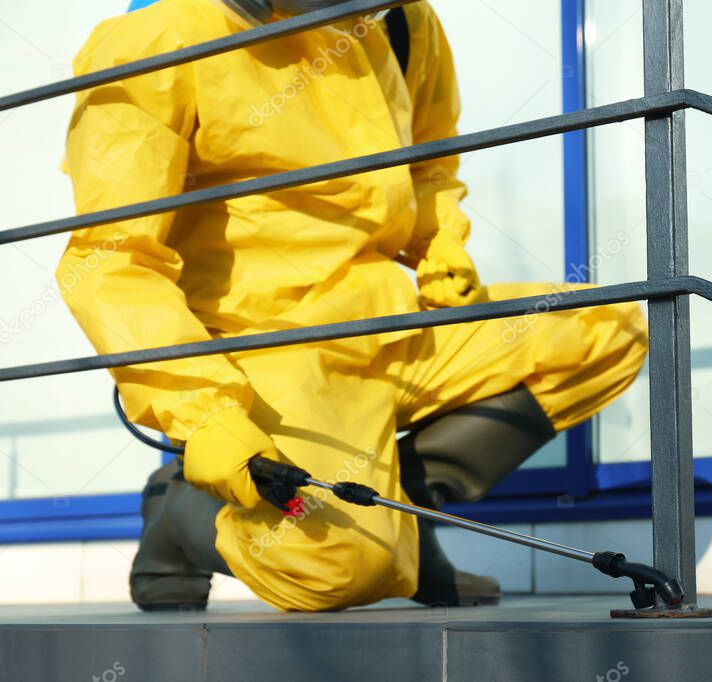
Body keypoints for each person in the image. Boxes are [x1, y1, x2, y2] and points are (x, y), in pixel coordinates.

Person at [57, 0, 648, 612]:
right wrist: (202, 413)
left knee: (604, 329)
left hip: (388, 321)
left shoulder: (402, 20)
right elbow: (114, 261)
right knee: (336, 568)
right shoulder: (160, 38)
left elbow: (430, 163)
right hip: (266, 346)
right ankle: (179, 514)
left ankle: (407, 525)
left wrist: (440, 241)